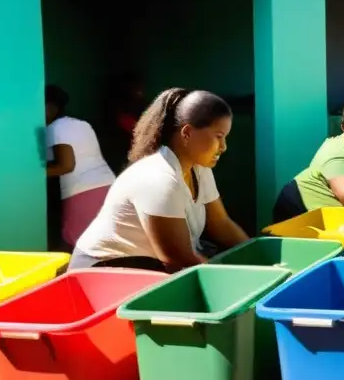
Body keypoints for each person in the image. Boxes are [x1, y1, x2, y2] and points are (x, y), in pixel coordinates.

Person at [69, 88, 249, 271]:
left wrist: (261, 258)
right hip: (101, 271)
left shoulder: (200, 169)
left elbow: (222, 225)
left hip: (145, 267)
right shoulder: (159, 178)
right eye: (218, 137)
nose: (224, 147)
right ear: (187, 133)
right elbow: (178, 260)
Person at [44, 85, 116, 249]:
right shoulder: (82, 124)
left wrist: (31, 174)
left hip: (83, 191)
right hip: (107, 186)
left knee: (76, 244)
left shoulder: (56, 127)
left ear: (49, 108)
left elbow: (66, 166)